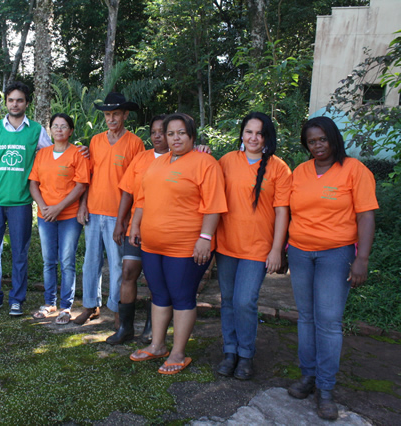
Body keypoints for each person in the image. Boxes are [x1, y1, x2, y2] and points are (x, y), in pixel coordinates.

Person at [286, 116, 378, 420]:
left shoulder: (354, 170)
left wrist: (361, 258)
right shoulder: (300, 172)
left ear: (333, 139)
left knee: (328, 321)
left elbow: (365, 217)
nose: (317, 146)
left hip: (335, 254)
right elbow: (286, 211)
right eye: (311, 141)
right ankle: (308, 377)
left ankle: (325, 389)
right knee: (306, 318)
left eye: (322, 139)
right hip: (300, 252)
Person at [128, 113, 227, 374]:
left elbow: (214, 205)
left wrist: (205, 239)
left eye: (181, 133)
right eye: (170, 133)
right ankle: (158, 345)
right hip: (151, 245)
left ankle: (178, 353)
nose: (175, 138)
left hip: (185, 246)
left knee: (182, 297)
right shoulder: (157, 164)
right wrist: (135, 226)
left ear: (192, 135)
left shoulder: (205, 163)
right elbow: (143, 199)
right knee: (159, 295)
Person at [214, 112, 292, 379]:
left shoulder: (279, 168)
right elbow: (207, 187)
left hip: (258, 248)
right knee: (227, 300)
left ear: (267, 137)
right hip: (226, 245)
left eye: (259, 133)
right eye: (249, 132)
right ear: (242, 134)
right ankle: (230, 351)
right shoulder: (226, 161)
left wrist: (277, 250)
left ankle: (246, 355)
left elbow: (282, 212)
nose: (253, 138)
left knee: (245, 301)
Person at [0, 82, 53, 317]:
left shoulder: (36, 130)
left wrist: (77, 152)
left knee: (19, 252)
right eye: (11, 100)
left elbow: (50, 157)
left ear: (26, 103)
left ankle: (17, 299)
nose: (15, 104)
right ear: (6, 102)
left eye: (19, 100)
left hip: (21, 201)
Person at [74, 92, 145, 326]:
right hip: (93, 211)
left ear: (125, 114)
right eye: (107, 114)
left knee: (116, 264)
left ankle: (116, 309)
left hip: (118, 215)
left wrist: (125, 218)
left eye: (116, 114)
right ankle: (90, 306)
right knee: (91, 261)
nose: (111, 118)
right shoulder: (95, 141)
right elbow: (88, 176)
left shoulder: (135, 144)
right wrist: (82, 205)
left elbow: (136, 184)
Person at [107, 115, 168, 344]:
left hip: (161, 229)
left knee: (155, 280)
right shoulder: (141, 158)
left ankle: (152, 329)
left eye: (162, 131)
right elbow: (127, 192)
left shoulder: (178, 159)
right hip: (135, 227)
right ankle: (126, 327)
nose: (157, 136)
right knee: (128, 272)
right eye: (153, 131)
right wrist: (120, 221)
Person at [28, 113, 91, 324]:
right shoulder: (42, 154)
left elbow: (81, 185)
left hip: (69, 215)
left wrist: (59, 208)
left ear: (71, 130)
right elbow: (33, 184)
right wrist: (44, 206)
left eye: (64, 126)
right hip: (45, 214)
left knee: (67, 261)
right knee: (48, 260)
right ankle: (49, 303)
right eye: (55, 126)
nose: (59, 129)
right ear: (50, 130)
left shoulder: (78, 154)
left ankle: (66, 307)